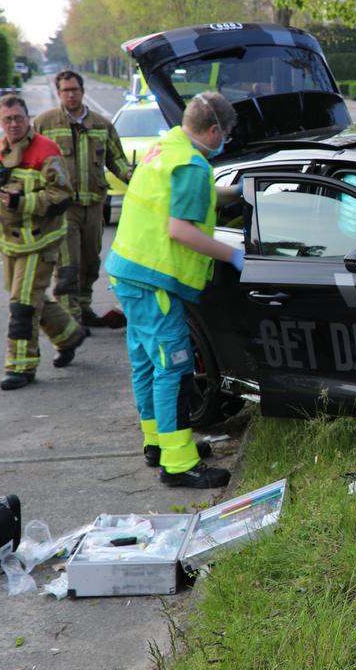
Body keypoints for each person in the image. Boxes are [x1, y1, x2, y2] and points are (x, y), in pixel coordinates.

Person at [104, 92, 243, 489]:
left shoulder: (164, 148)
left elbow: (180, 198)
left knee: (147, 362)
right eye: (226, 133)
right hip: (153, 280)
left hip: (126, 270)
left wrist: (234, 193)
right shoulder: (193, 166)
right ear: (214, 129)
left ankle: (158, 444)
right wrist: (232, 256)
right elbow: (180, 228)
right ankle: (179, 464)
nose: (225, 140)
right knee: (174, 366)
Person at [0, 94, 86, 391]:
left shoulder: (47, 150)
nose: (13, 124)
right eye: (7, 119)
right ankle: (69, 334)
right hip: (8, 243)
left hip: (40, 242)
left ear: (27, 118)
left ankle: (21, 366)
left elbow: (62, 195)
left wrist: (23, 201)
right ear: (0, 121)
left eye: (18, 118)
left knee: (22, 304)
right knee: (29, 297)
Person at [33, 71, 133, 329]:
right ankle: (71, 320)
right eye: (65, 90)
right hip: (63, 210)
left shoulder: (101, 125)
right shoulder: (45, 124)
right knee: (68, 266)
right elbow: (30, 161)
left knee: (91, 262)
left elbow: (118, 161)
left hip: (95, 207)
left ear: (82, 90)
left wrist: (135, 176)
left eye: (74, 90)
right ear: (58, 93)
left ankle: (84, 306)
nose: (70, 95)